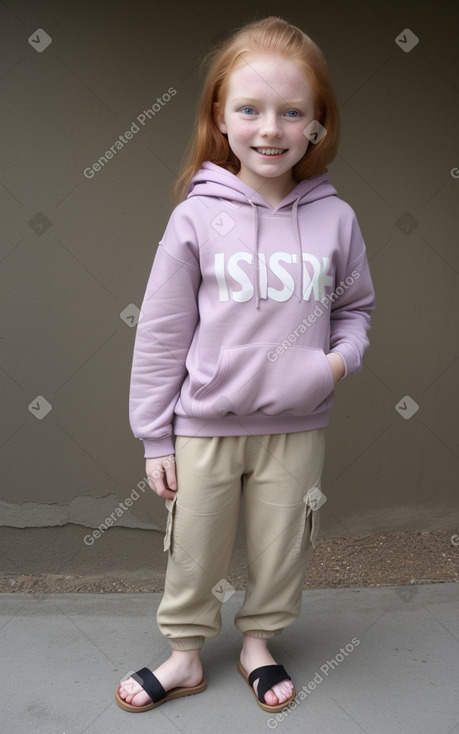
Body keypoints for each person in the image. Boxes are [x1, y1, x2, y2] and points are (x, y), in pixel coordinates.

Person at [116, 15, 375, 714]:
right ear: (219, 117)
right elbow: (162, 333)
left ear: (317, 124)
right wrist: (155, 435)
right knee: (193, 549)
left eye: (292, 112)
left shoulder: (335, 219)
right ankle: (184, 657)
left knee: (282, 543)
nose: (271, 129)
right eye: (250, 110)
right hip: (204, 424)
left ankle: (260, 643)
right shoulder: (195, 219)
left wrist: (332, 367)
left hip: (297, 426)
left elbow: (356, 312)